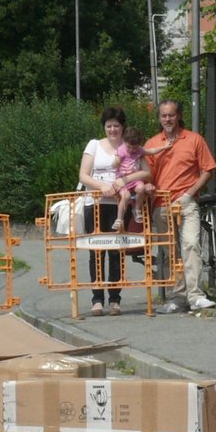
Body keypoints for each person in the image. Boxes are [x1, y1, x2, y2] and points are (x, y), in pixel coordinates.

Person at [144, 99, 216, 314]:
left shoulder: (194, 140)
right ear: (159, 118)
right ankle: (178, 297)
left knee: (191, 244)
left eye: (171, 115)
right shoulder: (151, 144)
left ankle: (195, 295)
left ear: (179, 116)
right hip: (161, 204)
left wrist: (189, 194)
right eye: (163, 115)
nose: (168, 119)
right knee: (170, 253)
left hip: (186, 203)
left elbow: (208, 169)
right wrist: (146, 185)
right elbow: (146, 173)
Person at [78, 106, 144, 316]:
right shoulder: (94, 145)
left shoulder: (130, 147)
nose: (113, 129)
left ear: (123, 127)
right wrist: (102, 186)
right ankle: (97, 299)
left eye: (116, 125)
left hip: (119, 203)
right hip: (95, 203)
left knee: (116, 249)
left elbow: (144, 170)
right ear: (104, 127)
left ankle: (115, 299)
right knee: (96, 251)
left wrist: (123, 181)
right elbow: (84, 175)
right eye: (109, 126)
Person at [112, 125, 150, 232]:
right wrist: (116, 162)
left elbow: (151, 151)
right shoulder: (121, 151)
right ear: (124, 142)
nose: (132, 150)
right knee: (125, 196)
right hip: (122, 180)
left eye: (135, 148)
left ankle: (137, 209)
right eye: (129, 147)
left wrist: (164, 147)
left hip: (134, 181)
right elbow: (114, 164)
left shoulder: (139, 151)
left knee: (141, 187)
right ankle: (119, 219)